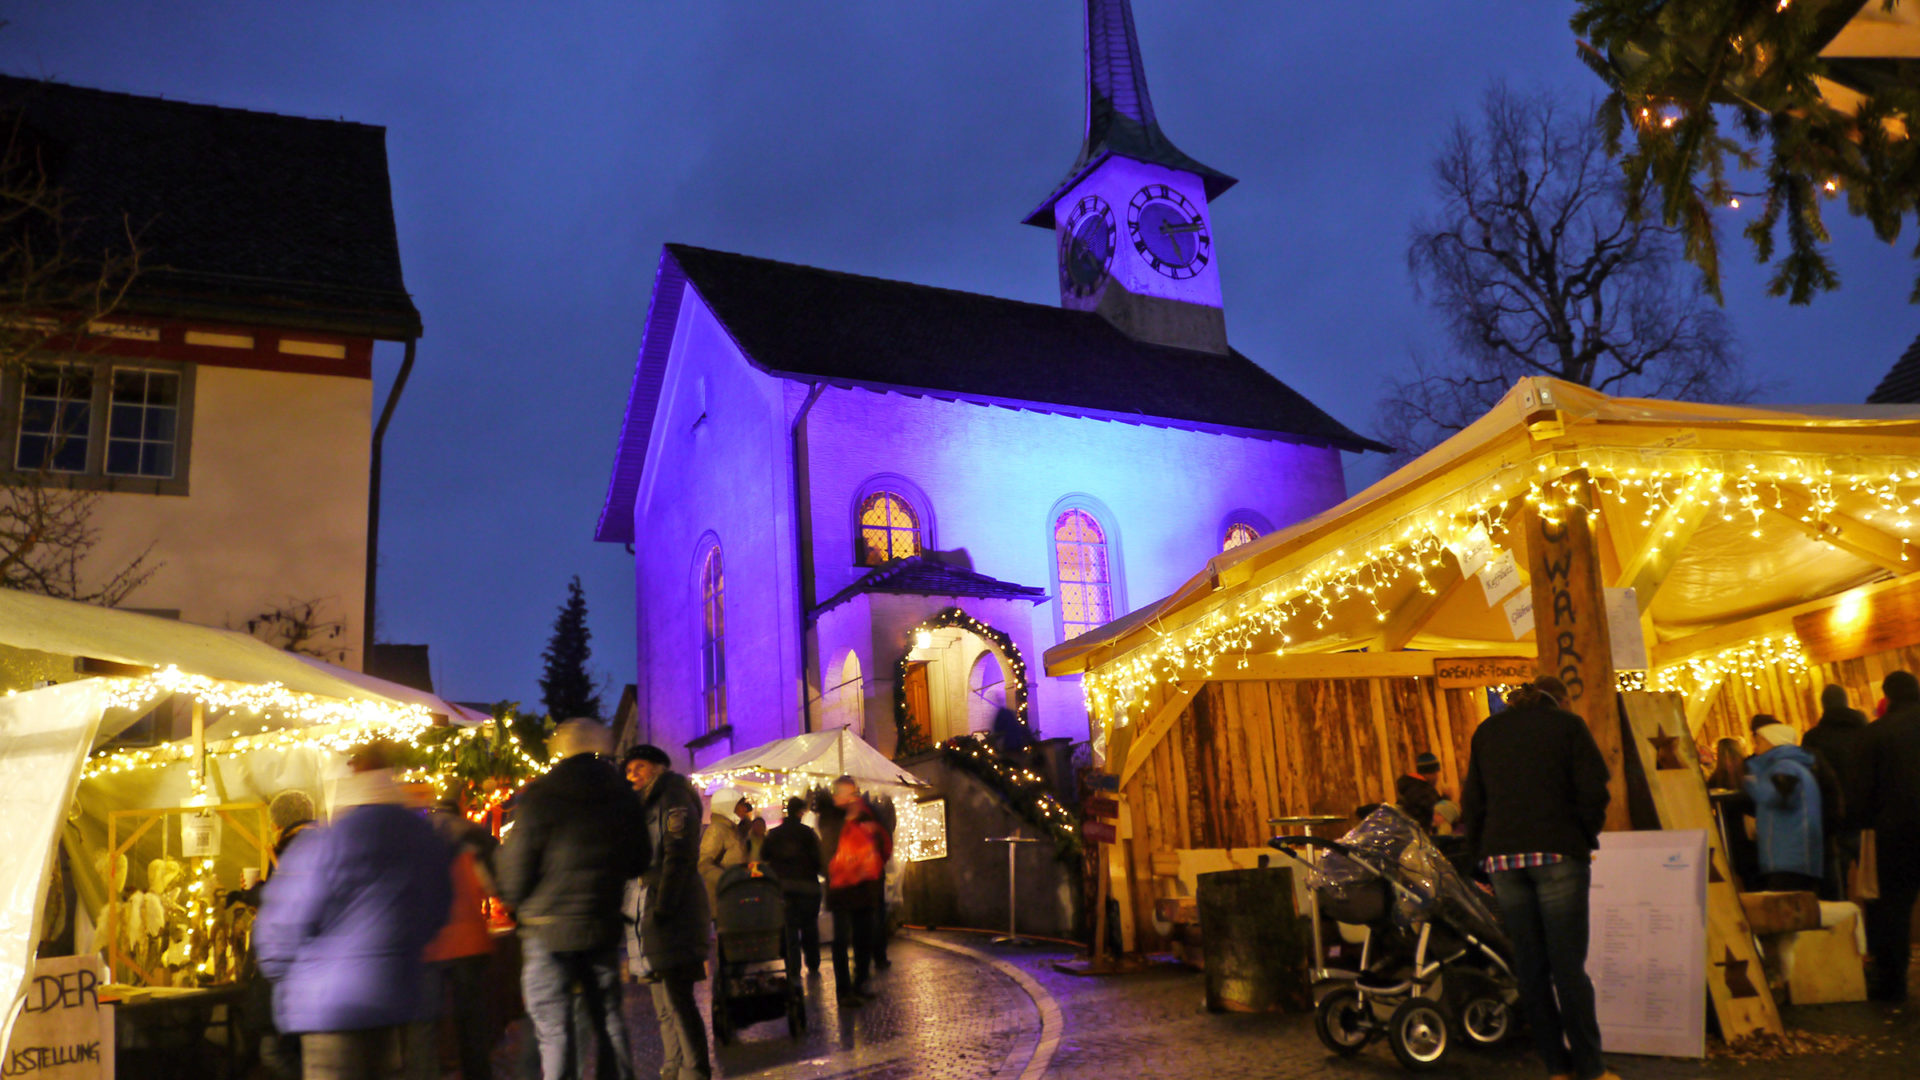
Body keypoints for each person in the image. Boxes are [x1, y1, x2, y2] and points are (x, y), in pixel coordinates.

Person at [254, 744, 453, 1080]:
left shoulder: (325, 842)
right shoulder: (423, 839)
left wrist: (283, 976)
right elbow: (437, 909)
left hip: (327, 1004)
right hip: (394, 998)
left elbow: (281, 927)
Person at [1461, 677, 1617, 1080]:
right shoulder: (1568, 726)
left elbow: (1473, 801)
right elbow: (1594, 789)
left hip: (1502, 859)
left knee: (1530, 968)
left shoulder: (1487, 732)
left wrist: (1480, 855)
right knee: (1568, 967)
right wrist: (1583, 835)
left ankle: (1556, 1068)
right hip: (1556, 851)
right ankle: (1592, 1068)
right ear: (1560, 699)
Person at [498, 719, 649, 1080]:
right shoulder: (621, 795)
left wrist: (516, 899)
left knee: (553, 1029)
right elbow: (640, 858)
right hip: (600, 925)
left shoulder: (542, 795)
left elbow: (515, 867)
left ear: (559, 750)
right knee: (609, 1020)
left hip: (546, 931)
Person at [622, 744, 712, 1080]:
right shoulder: (644, 804)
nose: (632, 775)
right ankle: (672, 1067)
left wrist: (665, 908)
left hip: (672, 909)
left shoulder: (673, 797)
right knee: (661, 1001)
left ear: (659, 767)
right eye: (629, 769)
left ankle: (695, 1071)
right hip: (647, 909)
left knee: (678, 999)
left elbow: (678, 856)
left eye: (639, 767)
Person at [421, 801, 498, 1080]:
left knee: (429, 1023)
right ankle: (477, 1073)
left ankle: (434, 1071)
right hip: (471, 942)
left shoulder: (419, 845)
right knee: (472, 1021)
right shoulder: (472, 845)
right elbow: (490, 885)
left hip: (431, 946)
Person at [1863, 670, 1920, 1003]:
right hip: (1895, 826)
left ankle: (1893, 985)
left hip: (1895, 832)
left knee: (1895, 909)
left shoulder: (1877, 733)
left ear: (1888, 697)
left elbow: (1863, 787)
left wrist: (1863, 823)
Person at [821, 776, 890, 1005]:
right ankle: (844, 992)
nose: (853, 798)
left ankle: (860, 982)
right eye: (847, 794)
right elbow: (830, 850)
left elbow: (883, 840)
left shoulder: (866, 815)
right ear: (836, 796)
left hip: (864, 888)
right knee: (841, 941)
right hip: (841, 890)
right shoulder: (830, 818)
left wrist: (871, 829)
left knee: (864, 938)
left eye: (854, 793)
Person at [1804, 684, 1873, 895]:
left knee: (1837, 889)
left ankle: (1846, 926)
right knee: (1874, 887)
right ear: (1846, 702)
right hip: (1867, 818)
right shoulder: (1867, 732)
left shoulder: (1813, 738)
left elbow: (1811, 782)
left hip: (1834, 821)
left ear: (1823, 706)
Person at [1742, 719, 1825, 893]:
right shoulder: (1790, 766)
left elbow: (1778, 797)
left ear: (1773, 742)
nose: (1755, 747)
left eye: (1759, 742)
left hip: (1789, 857)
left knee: (1792, 909)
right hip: (1792, 855)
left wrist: (1751, 783)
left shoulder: (1785, 767)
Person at [759, 796, 824, 978]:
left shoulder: (774, 834)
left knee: (789, 930)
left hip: (784, 888)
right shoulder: (808, 833)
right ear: (800, 812)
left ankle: (793, 968)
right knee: (810, 928)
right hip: (808, 888)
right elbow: (819, 859)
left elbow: (764, 854)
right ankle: (813, 963)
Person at [697, 796, 753, 910]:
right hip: (721, 899)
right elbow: (703, 864)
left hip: (734, 896)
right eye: (741, 805)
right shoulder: (716, 830)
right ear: (729, 807)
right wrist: (727, 879)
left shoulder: (734, 830)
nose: (745, 809)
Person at [1395, 752, 1444, 833]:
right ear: (1431, 773)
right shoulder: (1422, 790)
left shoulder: (1410, 786)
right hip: (1421, 838)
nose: (1437, 777)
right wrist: (1447, 797)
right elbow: (1438, 811)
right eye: (1435, 773)